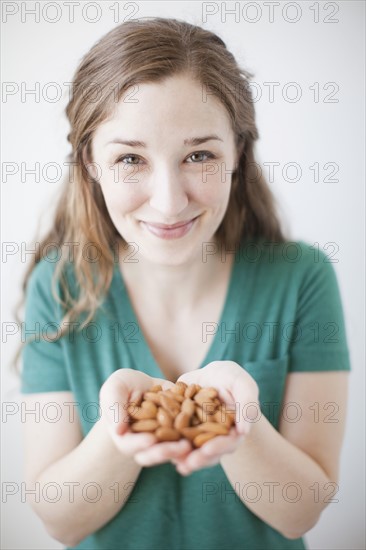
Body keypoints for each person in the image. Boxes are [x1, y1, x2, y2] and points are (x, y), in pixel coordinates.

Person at [19, 17, 351, 550]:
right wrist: (119, 427)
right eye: (130, 158)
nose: (169, 201)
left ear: (237, 153)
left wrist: (238, 423)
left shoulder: (301, 278)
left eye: (199, 155)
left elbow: (301, 514)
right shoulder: (58, 288)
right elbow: (61, 522)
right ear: (90, 163)